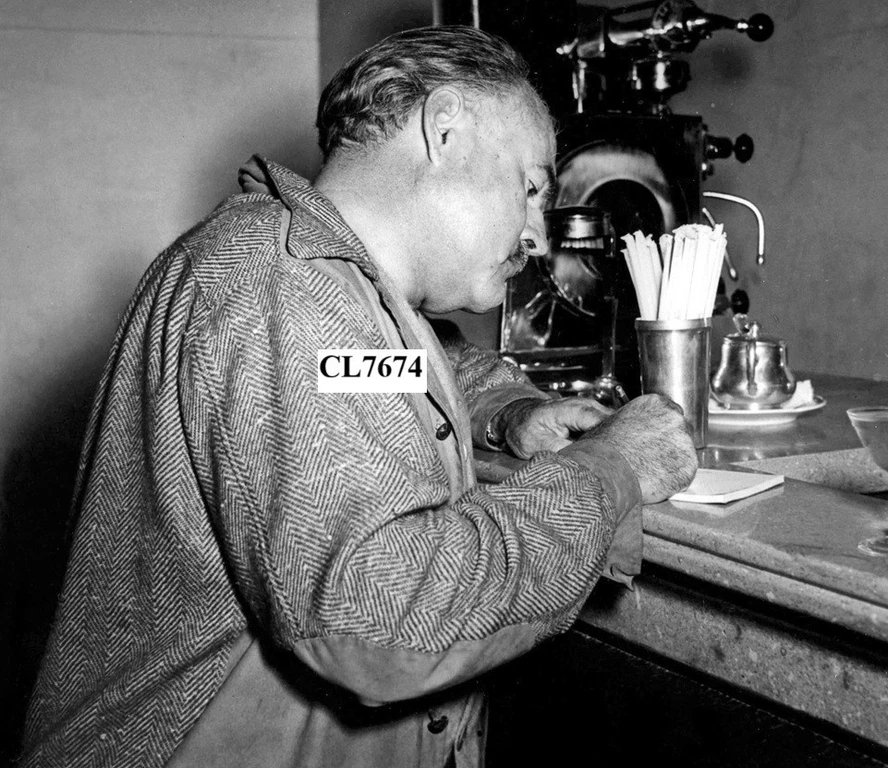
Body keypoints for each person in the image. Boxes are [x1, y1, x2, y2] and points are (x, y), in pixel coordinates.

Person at [19, 25, 696, 768]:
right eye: (531, 187)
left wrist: (512, 412)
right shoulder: (277, 285)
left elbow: (383, 366)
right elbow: (383, 623)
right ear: (445, 129)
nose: (538, 235)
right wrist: (611, 469)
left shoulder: (318, 279)